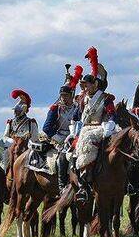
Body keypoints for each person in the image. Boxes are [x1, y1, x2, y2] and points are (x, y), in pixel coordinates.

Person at [70, 47, 118, 203]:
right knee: (70, 150)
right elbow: (76, 117)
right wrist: (73, 130)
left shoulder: (106, 98)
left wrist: (109, 126)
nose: (85, 87)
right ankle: (78, 182)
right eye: (84, 85)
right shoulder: (82, 99)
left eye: (87, 85)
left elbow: (112, 114)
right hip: (84, 128)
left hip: (101, 127)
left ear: (95, 84)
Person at [32, 65, 82, 175]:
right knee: (62, 158)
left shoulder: (78, 108)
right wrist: (57, 139)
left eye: (66, 95)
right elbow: (47, 127)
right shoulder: (55, 108)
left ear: (71, 95)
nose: (63, 98)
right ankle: (62, 182)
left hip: (74, 136)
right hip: (58, 137)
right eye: (62, 95)